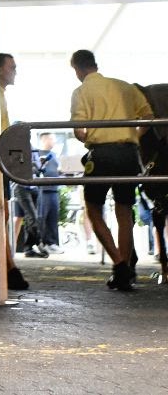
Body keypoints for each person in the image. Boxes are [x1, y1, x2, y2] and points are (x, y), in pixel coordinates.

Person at [69, 49, 153, 291]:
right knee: (124, 210)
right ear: (95, 64)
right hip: (129, 153)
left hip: (101, 154)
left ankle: (118, 264)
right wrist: (133, 136)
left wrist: (90, 139)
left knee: (93, 207)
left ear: (77, 68)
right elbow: (148, 116)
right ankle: (125, 267)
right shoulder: (125, 86)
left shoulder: (82, 91)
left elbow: (79, 130)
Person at [0, 53, 30, 289]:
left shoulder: (1, 95)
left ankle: (9, 266)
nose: (15, 71)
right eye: (12, 67)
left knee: (4, 214)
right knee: (2, 214)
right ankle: (8, 267)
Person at [35, 132, 62, 253]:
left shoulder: (54, 155)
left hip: (54, 189)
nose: (54, 141)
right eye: (51, 139)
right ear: (44, 139)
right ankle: (42, 242)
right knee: (42, 217)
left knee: (53, 217)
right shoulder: (37, 154)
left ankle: (52, 242)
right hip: (42, 189)